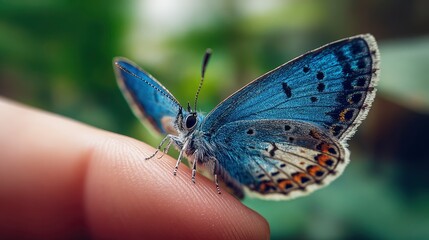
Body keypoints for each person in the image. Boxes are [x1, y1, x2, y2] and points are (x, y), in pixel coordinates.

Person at [0, 98, 269, 239]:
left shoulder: (206, 132)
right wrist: (159, 156)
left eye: (186, 121)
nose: (182, 124)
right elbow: (174, 141)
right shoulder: (184, 136)